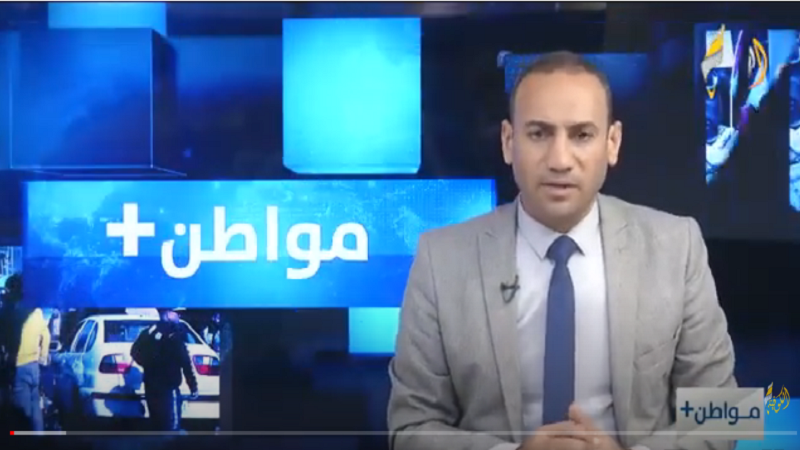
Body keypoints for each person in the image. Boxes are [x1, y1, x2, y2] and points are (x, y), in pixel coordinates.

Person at [388, 51, 736, 450]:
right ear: (508, 141)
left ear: (612, 143)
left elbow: (725, 418)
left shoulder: (677, 247)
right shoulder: (441, 259)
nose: (559, 160)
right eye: (539, 134)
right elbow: (409, 428)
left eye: (581, 135)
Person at [131, 307, 199, 432]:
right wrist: (193, 385)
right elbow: (185, 362)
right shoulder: (174, 334)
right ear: (167, 314)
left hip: (151, 386)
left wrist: (148, 364)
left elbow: (135, 352)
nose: (179, 316)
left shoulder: (149, 332)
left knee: (156, 424)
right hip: (169, 387)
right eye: (176, 313)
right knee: (171, 426)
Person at [0, 273, 50, 432]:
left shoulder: (10, 313)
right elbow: (46, 335)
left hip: (19, 366)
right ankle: (39, 439)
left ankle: (25, 441)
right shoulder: (36, 311)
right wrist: (42, 357)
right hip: (34, 366)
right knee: (35, 406)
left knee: (23, 411)